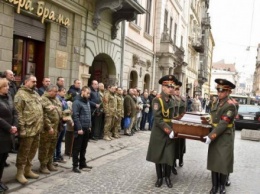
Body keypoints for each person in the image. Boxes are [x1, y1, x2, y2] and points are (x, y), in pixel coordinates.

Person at [203, 79, 237, 194]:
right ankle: (214, 186)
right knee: (214, 161)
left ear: (228, 92)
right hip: (215, 134)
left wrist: (211, 136)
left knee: (223, 162)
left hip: (224, 137)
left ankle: (222, 186)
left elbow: (223, 124)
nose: (219, 93)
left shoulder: (230, 106)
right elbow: (214, 119)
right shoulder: (215, 102)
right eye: (218, 90)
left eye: (222, 91)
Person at [146, 75, 177, 188]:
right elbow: (158, 119)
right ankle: (159, 178)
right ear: (163, 87)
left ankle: (167, 178)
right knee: (158, 156)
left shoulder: (172, 100)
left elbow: (173, 116)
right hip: (159, 131)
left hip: (170, 130)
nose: (171, 88)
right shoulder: (157, 99)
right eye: (169, 86)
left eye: (172, 86)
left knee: (169, 156)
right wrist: (168, 130)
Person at [14, 75, 44, 184]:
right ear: (26, 82)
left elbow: (40, 107)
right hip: (27, 129)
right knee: (24, 151)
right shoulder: (20, 95)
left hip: (37, 128)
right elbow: (18, 113)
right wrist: (21, 129)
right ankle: (20, 173)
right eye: (33, 81)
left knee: (32, 151)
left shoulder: (35, 93)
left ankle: (28, 170)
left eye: (36, 81)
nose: (35, 83)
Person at [38, 85, 62, 174]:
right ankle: (43, 165)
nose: (56, 93)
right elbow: (43, 115)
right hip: (47, 129)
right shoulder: (43, 99)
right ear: (49, 91)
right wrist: (49, 127)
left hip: (56, 127)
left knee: (52, 146)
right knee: (45, 147)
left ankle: (49, 163)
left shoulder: (55, 99)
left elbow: (59, 109)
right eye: (55, 92)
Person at [0, 78, 18, 192]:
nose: (8, 88)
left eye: (8, 86)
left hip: (8, 134)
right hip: (1, 133)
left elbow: (15, 112)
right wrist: (9, 127)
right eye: (6, 86)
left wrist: (15, 126)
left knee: (3, 159)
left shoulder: (9, 97)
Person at [72, 86, 92, 173]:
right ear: (82, 92)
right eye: (87, 93)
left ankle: (82, 164)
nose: (88, 95)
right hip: (80, 129)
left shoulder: (87, 102)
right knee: (77, 148)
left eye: (89, 93)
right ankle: (75, 166)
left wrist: (89, 125)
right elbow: (75, 116)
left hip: (86, 128)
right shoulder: (77, 102)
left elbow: (89, 115)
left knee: (84, 147)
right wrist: (79, 128)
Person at [172, 81, 186, 175]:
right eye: (176, 89)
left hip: (181, 124)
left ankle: (181, 158)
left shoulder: (183, 99)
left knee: (181, 143)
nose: (177, 91)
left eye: (178, 89)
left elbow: (184, 112)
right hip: (173, 124)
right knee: (173, 145)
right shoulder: (171, 99)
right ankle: (172, 163)